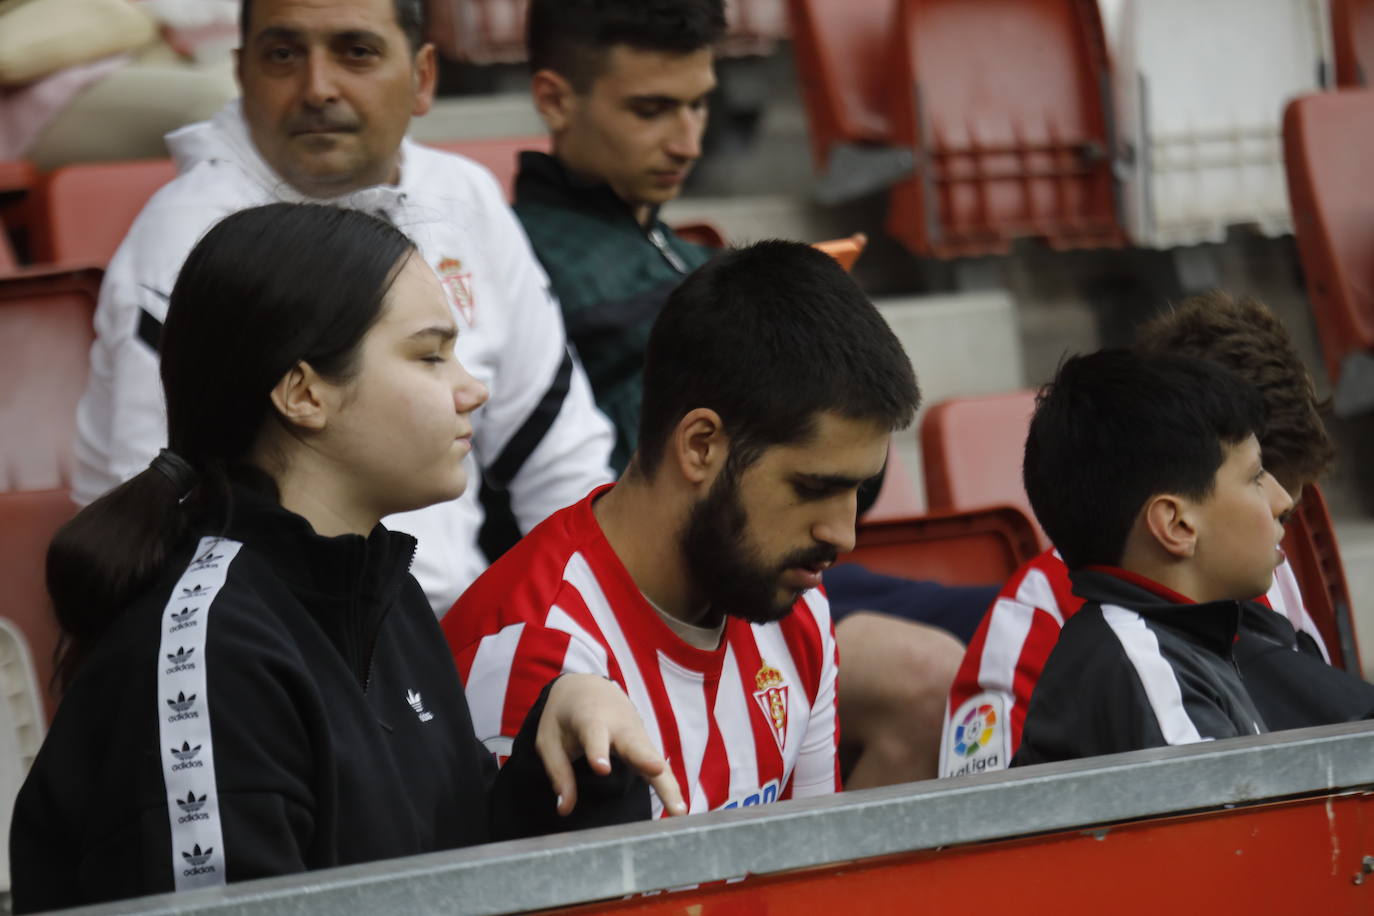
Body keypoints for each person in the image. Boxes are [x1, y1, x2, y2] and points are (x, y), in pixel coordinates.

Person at [11, 204, 683, 913]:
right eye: (430, 355)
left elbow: (460, 865)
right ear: (304, 393)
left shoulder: (386, 600)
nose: (472, 388)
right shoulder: (209, 657)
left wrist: (571, 750)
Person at [517, 0, 975, 789]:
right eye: (650, 109)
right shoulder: (526, 263)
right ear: (556, 99)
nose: (687, 139)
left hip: (763, 547)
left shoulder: (659, 241)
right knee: (967, 667)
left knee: (1018, 624)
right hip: (688, 563)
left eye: (699, 105)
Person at [71, 0, 616, 613]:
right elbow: (158, 514)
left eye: (356, 52)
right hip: (265, 639)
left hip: (440, 631)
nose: (317, 88)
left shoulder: (463, 197)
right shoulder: (188, 236)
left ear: (423, 77)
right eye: (283, 55)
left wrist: (581, 636)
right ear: (241, 72)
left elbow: (558, 459)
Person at [444, 241, 921, 812]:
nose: (843, 536)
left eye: (859, 490)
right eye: (813, 488)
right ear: (701, 446)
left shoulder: (796, 610)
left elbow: (813, 880)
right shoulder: (532, 655)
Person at [941, 293, 1360, 776]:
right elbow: (981, 820)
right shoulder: (1064, 624)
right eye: (1255, 478)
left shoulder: (1249, 590)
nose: (1280, 506)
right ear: (1177, 523)